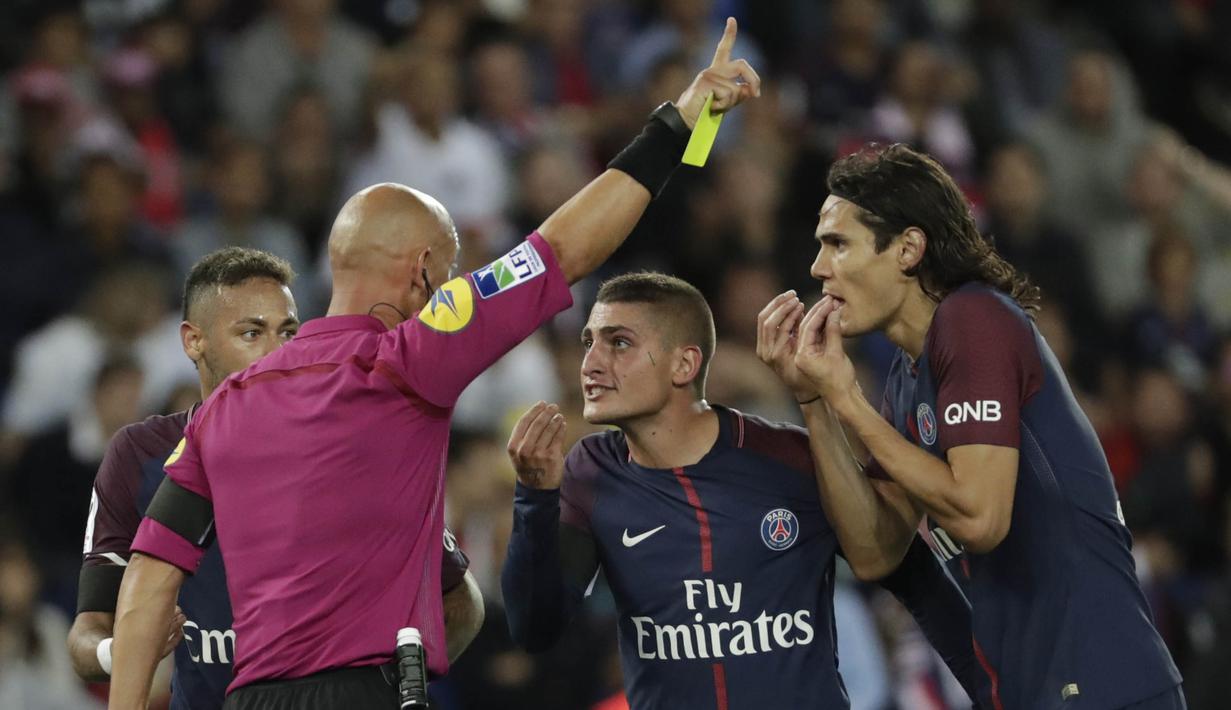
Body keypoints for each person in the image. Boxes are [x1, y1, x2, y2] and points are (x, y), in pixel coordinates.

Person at [108, 18, 761, 710]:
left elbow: (148, 578)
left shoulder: (224, 406)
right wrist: (681, 123)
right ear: (423, 274)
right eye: (446, 273)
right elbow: (563, 248)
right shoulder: (406, 359)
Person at [756, 143, 1183, 709]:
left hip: (1101, 685)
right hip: (1030, 691)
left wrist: (849, 401)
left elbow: (982, 518)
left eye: (838, 244)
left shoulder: (973, 319)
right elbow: (875, 551)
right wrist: (814, 400)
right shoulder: (908, 380)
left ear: (908, 248)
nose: (818, 267)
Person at [501, 272, 989, 709]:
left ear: (684, 365)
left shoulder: (790, 459)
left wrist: (994, 694)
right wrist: (534, 498)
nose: (591, 362)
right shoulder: (591, 472)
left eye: (619, 343)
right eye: (589, 342)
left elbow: (914, 578)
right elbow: (536, 629)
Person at [64, 247, 483, 709]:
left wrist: (389, 686)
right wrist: (122, 650)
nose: (276, 351)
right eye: (251, 333)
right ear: (193, 341)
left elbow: (461, 601)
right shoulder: (140, 455)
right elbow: (87, 636)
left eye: (287, 331)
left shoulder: (345, 440)